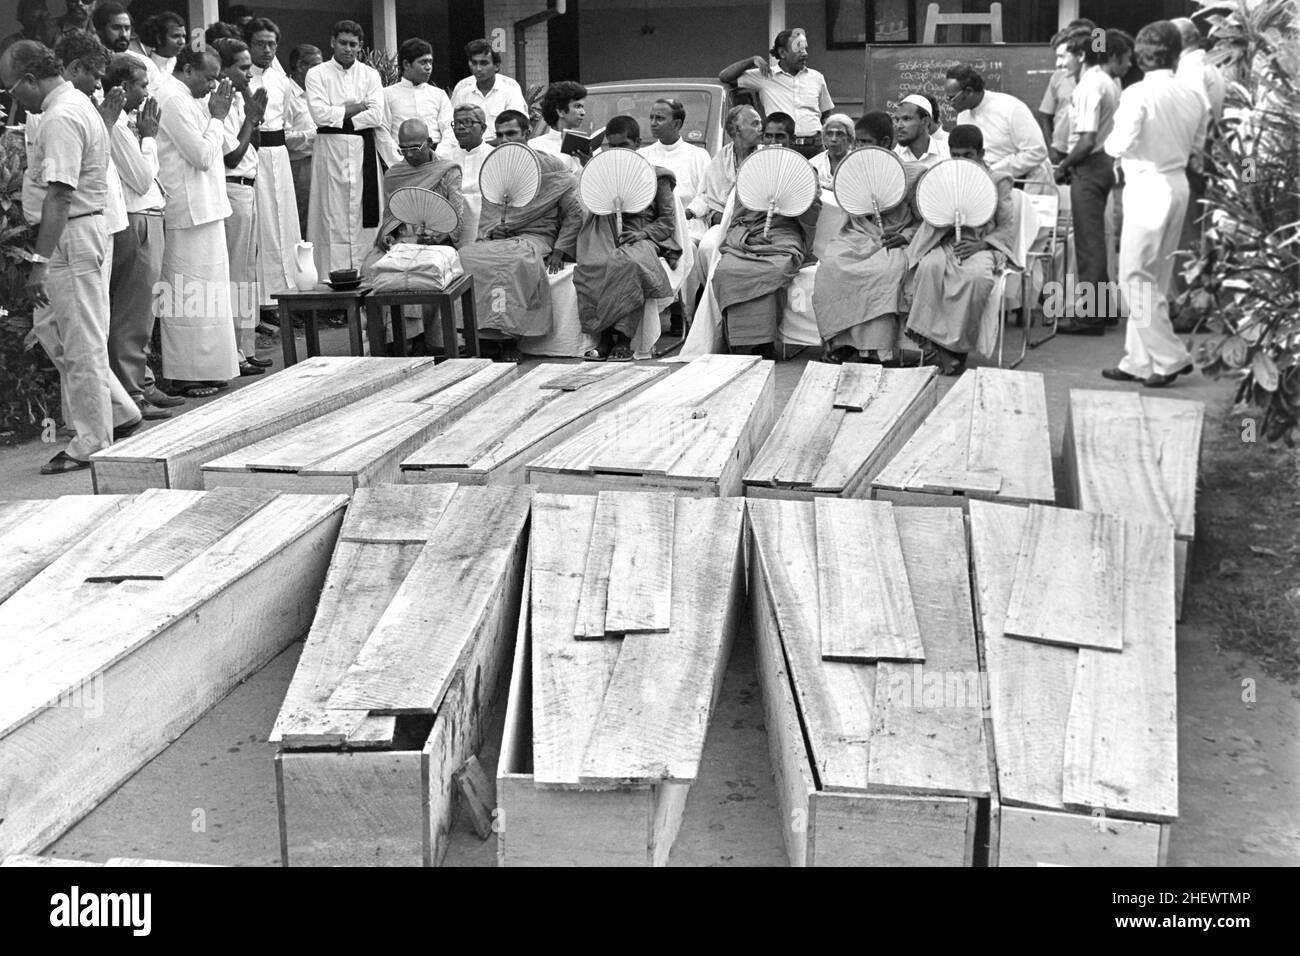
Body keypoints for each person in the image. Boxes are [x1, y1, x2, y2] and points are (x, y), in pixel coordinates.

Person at [2, 39, 140, 474]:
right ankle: (118, 409)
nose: (13, 98)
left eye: (12, 88)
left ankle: (92, 442)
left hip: (71, 234)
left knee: (81, 341)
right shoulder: (74, 103)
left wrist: (39, 263)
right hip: (75, 232)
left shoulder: (62, 114)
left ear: (28, 78)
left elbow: (60, 194)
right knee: (54, 330)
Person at [1101, 20, 1207, 388]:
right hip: (1178, 184)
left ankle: (1169, 357)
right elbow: (1198, 147)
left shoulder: (1138, 94)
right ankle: (1138, 361)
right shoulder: (1194, 94)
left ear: (1143, 56)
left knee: (1133, 276)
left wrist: (1113, 147)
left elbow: (1117, 143)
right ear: (1176, 55)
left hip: (1147, 185)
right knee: (1155, 278)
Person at [456, 109, 581, 363]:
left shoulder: (551, 164)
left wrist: (560, 249)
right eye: (500, 135)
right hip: (501, 238)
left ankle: (509, 339)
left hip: (537, 237)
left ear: (526, 133)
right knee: (466, 256)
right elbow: (490, 217)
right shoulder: (495, 166)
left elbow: (574, 213)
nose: (504, 141)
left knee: (514, 260)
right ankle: (480, 336)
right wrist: (493, 231)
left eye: (511, 133)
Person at [154, 47, 241, 397]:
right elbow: (203, 155)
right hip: (185, 210)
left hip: (207, 207)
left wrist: (215, 116)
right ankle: (184, 374)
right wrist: (218, 117)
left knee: (209, 296)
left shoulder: (190, 97)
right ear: (187, 69)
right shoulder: (170, 99)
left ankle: (209, 368)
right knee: (183, 296)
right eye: (208, 77)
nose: (213, 85)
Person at [101, 53, 184, 420]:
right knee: (131, 313)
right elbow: (140, 176)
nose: (146, 92)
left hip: (147, 215)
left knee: (143, 311)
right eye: (141, 85)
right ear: (120, 87)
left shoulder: (126, 121)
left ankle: (143, 383)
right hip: (137, 219)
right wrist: (149, 139)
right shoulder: (116, 124)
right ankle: (132, 395)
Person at [904, 125, 1020, 376]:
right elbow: (931, 218)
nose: (961, 161)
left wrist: (982, 244)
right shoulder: (946, 177)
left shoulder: (998, 181)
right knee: (929, 267)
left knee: (977, 278)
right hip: (945, 241)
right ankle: (935, 344)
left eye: (968, 156)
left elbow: (1007, 226)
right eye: (955, 155)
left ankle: (956, 348)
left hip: (983, 244)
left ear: (981, 153)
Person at [814, 111, 924, 365]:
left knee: (886, 271)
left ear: (885, 142)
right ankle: (842, 343)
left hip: (892, 241)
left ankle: (877, 349)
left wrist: (905, 236)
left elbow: (924, 222)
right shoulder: (852, 170)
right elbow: (851, 213)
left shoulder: (912, 174)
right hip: (858, 235)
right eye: (858, 143)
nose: (858, 149)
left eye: (865, 142)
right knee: (832, 265)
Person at [574, 115, 679, 361]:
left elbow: (666, 223)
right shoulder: (604, 171)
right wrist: (592, 168)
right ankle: (603, 336)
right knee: (595, 263)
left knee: (628, 264)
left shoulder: (657, 176)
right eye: (612, 146)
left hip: (643, 237)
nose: (617, 152)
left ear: (638, 143)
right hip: (605, 233)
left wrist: (643, 233)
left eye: (624, 146)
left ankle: (621, 338)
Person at [711, 134, 820, 356]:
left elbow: (812, 212)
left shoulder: (803, 170)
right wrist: (745, 233)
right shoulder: (752, 168)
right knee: (727, 269)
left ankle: (764, 342)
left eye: (780, 136)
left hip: (784, 235)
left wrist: (794, 202)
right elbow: (739, 214)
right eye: (768, 136)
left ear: (790, 139)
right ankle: (739, 342)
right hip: (749, 234)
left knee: (775, 268)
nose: (773, 141)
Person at [1055, 29, 1134, 335]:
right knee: (1096, 239)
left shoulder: (1091, 85)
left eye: (1069, 56)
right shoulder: (1109, 83)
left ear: (1083, 56)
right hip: (1104, 164)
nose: (1064, 64)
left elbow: (1086, 139)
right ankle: (1103, 309)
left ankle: (1089, 316)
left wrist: (1064, 164)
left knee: (1089, 244)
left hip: (1089, 164)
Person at [305, 20, 386, 280]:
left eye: (353, 44)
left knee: (363, 215)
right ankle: (330, 281)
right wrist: (358, 106)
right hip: (330, 150)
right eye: (343, 43)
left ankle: (367, 278)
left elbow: (376, 115)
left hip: (362, 150)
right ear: (332, 42)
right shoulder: (317, 74)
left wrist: (341, 114)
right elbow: (319, 115)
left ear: (360, 47)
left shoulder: (370, 75)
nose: (348, 49)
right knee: (332, 215)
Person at [212, 38, 267, 375]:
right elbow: (231, 155)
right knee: (233, 273)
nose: (250, 73)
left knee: (247, 274)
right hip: (233, 189)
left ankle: (247, 348)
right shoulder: (218, 102)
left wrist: (252, 113)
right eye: (243, 67)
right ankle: (233, 350)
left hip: (250, 186)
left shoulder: (240, 99)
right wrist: (249, 118)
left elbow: (254, 143)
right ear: (226, 68)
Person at [245, 17, 301, 321]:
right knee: (264, 224)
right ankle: (264, 302)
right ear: (249, 44)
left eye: (272, 44)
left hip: (280, 154)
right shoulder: (244, 80)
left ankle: (289, 291)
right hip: (255, 153)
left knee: (285, 222)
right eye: (260, 44)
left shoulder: (282, 81)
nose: (267, 49)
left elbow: (291, 121)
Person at [685, 104, 762, 316]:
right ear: (736, 131)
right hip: (722, 225)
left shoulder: (765, 156)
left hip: (758, 226)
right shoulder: (721, 159)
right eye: (754, 123)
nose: (761, 127)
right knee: (708, 247)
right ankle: (712, 307)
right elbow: (707, 197)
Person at [719, 28, 833, 159]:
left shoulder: (817, 77)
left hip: (815, 149)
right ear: (782, 52)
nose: (805, 54)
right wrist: (752, 60)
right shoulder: (765, 76)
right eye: (799, 49)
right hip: (782, 148)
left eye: (805, 49)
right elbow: (725, 76)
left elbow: (826, 113)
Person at [946, 63, 1053, 192]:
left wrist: (994, 171)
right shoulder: (963, 116)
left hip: (1022, 183)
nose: (949, 103)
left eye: (952, 98)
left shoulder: (1010, 108)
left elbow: (1037, 152)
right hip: (984, 184)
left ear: (969, 91)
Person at [639, 97, 709, 238]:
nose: (653, 123)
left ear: (676, 124)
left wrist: (686, 213)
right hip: (650, 227)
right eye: (651, 118)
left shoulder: (698, 155)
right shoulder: (642, 156)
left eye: (659, 118)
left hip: (689, 226)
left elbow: (707, 194)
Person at [377, 38, 453, 167]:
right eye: (423, 62)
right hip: (402, 159)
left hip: (436, 159)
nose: (428, 67)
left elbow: (449, 130)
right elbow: (382, 133)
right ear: (406, 64)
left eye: (430, 62)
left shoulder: (439, 94)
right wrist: (399, 163)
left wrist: (437, 158)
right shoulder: (386, 94)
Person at [450, 37, 527, 144]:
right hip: (469, 152)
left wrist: (484, 148)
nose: (478, 69)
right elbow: (453, 128)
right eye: (474, 63)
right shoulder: (462, 92)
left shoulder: (510, 91)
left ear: (496, 66)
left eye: (483, 63)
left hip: (501, 150)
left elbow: (516, 130)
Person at [1038, 22, 1094, 162]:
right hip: (1061, 149)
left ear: (1080, 55)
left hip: (1089, 154)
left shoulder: (1099, 84)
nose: (1058, 63)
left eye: (1062, 56)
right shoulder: (1058, 76)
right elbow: (1046, 114)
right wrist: (1051, 150)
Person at [436, 103, 492, 242]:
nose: (460, 127)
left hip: (486, 224)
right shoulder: (444, 159)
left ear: (483, 128)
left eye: (467, 122)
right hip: (450, 225)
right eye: (457, 123)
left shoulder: (494, 156)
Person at [285, 43, 320, 238]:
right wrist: (316, 136)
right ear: (301, 66)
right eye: (316, 66)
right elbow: (282, 137)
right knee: (302, 218)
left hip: (319, 161)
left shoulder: (317, 93)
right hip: (299, 166)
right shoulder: (287, 93)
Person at [530, 80, 589, 173]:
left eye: (582, 107)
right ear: (560, 111)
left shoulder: (586, 146)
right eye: (577, 106)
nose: (583, 112)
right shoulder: (536, 146)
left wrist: (588, 163)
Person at [130, 10, 185, 95]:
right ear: (159, 38)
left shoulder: (185, 67)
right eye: (176, 36)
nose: (181, 42)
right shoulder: (145, 66)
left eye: (183, 36)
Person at [893, 94, 949, 167]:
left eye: (906, 119)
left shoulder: (947, 154)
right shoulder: (894, 158)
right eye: (897, 120)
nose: (899, 125)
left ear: (925, 121)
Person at [810, 112, 854, 188]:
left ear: (850, 139)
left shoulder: (857, 164)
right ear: (824, 138)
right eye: (829, 134)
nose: (833, 139)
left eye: (839, 134)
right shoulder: (813, 165)